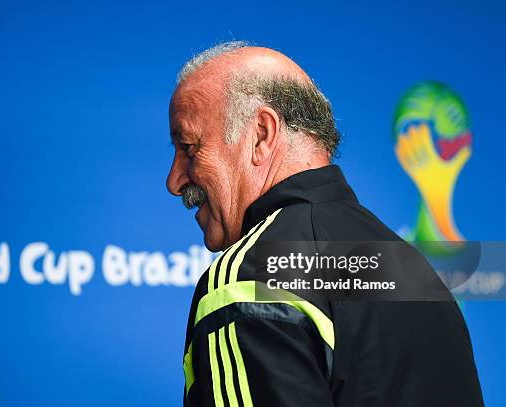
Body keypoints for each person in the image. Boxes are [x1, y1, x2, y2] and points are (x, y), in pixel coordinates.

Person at [166, 42, 483, 406]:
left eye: (189, 147)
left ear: (261, 134)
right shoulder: (414, 271)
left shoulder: (250, 277)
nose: (174, 180)